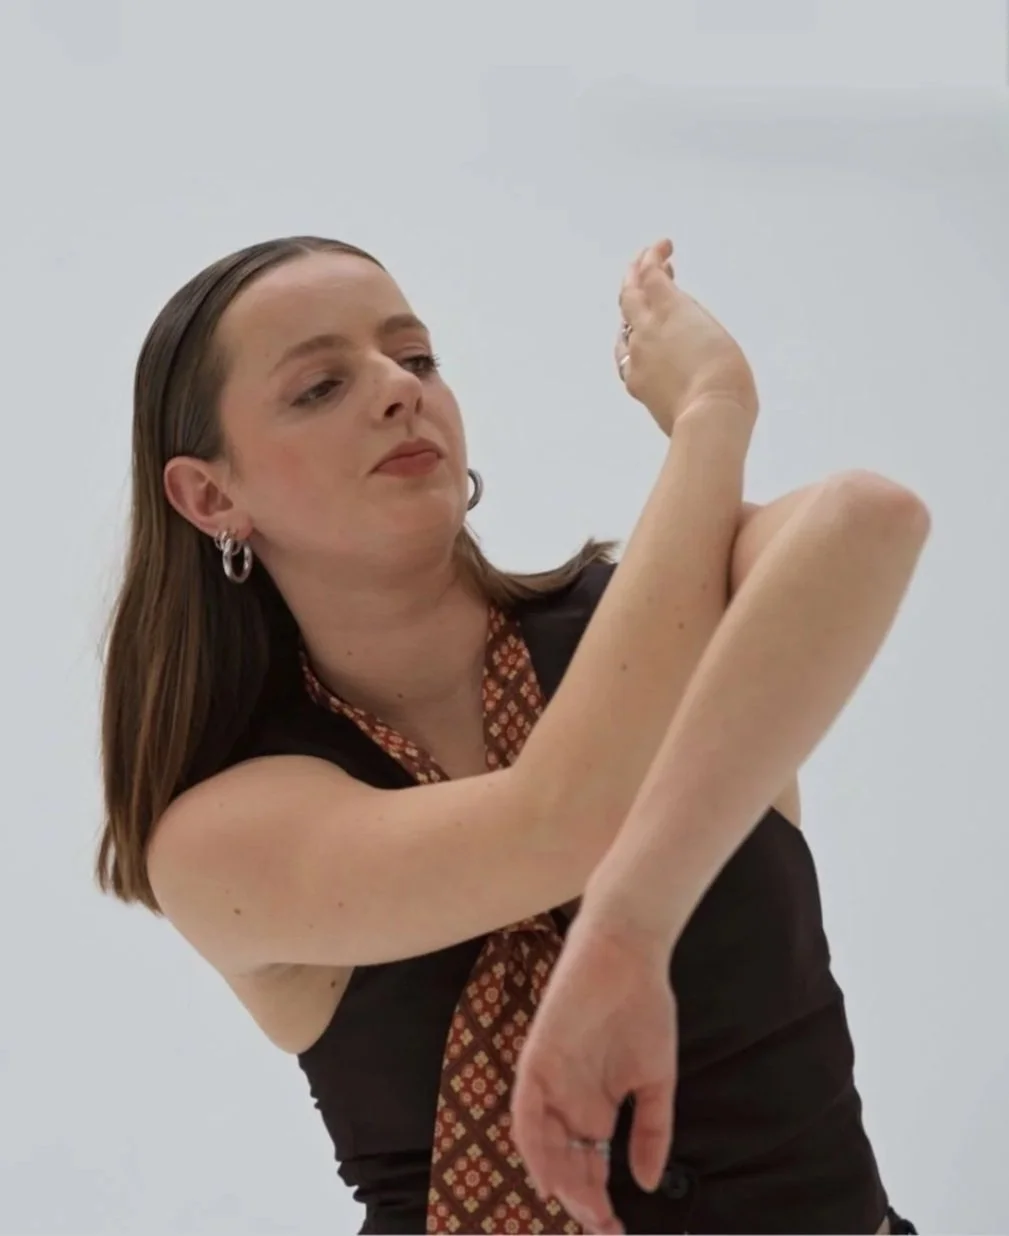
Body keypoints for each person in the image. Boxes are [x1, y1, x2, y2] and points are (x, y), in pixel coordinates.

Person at [97, 234, 928, 1235]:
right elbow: (559, 824)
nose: (398, 390)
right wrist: (708, 416)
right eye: (320, 387)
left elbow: (869, 518)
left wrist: (714, 407)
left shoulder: (665, 628)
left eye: (415, 357)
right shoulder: (220, 833)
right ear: (210, 496)